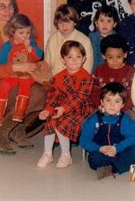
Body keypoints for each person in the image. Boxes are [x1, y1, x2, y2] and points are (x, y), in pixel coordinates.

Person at [0, 0, 47, 154]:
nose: (7, 10)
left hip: (17, 79)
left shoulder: (18, 29)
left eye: (10, 6)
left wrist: (38, 65)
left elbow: (31, 54)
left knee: (45, 92)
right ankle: (0, 133)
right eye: (2, 6)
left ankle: (16, 129)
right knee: (35, 94)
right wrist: (16, 67)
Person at [37, 41, 94, 169]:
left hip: (80, 109)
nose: (74, 60)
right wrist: (48, 110)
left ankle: (66, 155)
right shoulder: (58, 77)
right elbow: (53, 96)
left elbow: (80, 97)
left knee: (63, 122)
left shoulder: (87, 77)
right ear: (63, 59)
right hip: (61, 106)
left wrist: (65, 108)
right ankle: (47, 153)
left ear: (84, 59)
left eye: (78, 57)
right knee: (51, 120)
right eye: (69, 57)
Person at [80, 82, 135, 179]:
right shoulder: (94, 119)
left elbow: (134, 137)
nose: (112, 105)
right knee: (93, 159)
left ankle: (110, 168)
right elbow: (84, 140)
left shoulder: (125, 119)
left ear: (122, 104)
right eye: (108, 100)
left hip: (119, 150)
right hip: (101, 151)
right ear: (102, 102)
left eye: (117, 101)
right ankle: (117, 166)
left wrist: (117, 148)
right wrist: (99, 148)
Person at [0, 14, 43, 126]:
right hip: (12, 75)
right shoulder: (8, 46)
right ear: (12, 31)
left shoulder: (31, 43)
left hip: (27, 75)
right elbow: (0, 63)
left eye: (28, 33)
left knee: (25, 85)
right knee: (4, 85)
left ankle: (19, 113)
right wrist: (12, 66)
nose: (25, 36)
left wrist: (30, 48)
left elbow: (39, 55)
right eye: (21, 33)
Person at [44, 4, 93, 76]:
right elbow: (47, 63)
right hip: (54, 81)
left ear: (74, 22)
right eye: (60, 23)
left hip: (77, 81)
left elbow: (87, 69)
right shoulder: (52, 38)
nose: (64, 26)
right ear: (56, 24)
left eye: (68, 22)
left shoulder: (84, 40)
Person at [91, 34, 135, 112]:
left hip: (124, 109)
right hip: (103, 108)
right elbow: (94, 92)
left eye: (118, 57)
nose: (115, 61)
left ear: (125, 55)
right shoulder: (99, 70)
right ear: (104, 56)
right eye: (110, 57)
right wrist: (101, 106)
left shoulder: (131, 71)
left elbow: (133, 95)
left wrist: (120, 109)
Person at [89, 5, 119, 72]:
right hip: (95, 72)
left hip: (112, 71)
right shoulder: (91, 38)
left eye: (109, 21)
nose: (105, 24)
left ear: (114, 24)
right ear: (96, 23)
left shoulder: (117, 38)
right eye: (102, 20)